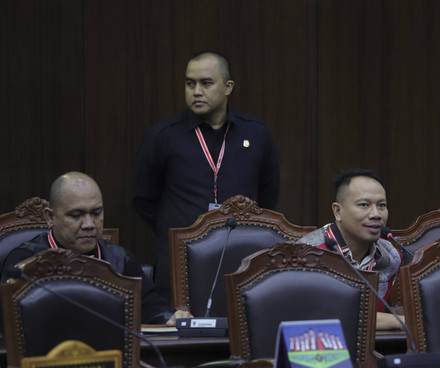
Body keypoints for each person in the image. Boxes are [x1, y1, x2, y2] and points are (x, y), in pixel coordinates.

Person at [132, 50, 280, 300]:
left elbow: (267, 194)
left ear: (228, 87)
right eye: (190, 83)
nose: (196, 91)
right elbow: (143, 197)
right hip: (181, 260)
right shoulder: (163, 136)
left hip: (241, 259)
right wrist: (179, 227)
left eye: (206, 83)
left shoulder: (255, 134)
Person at [0, 172, 191, 325]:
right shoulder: (25, 262)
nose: (90, 224)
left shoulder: (120, 259)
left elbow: (152, 308)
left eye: (96, 213)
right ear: (50, 217)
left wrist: (171, 317)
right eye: (76, 215)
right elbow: (12, 326)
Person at [299, 168, 403, 330]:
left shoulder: (391, 256)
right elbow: (327, 316)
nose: (376, 214)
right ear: (338, 211)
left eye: (382, 205)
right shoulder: (307, 253)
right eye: (364, 205)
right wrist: (401, 321)